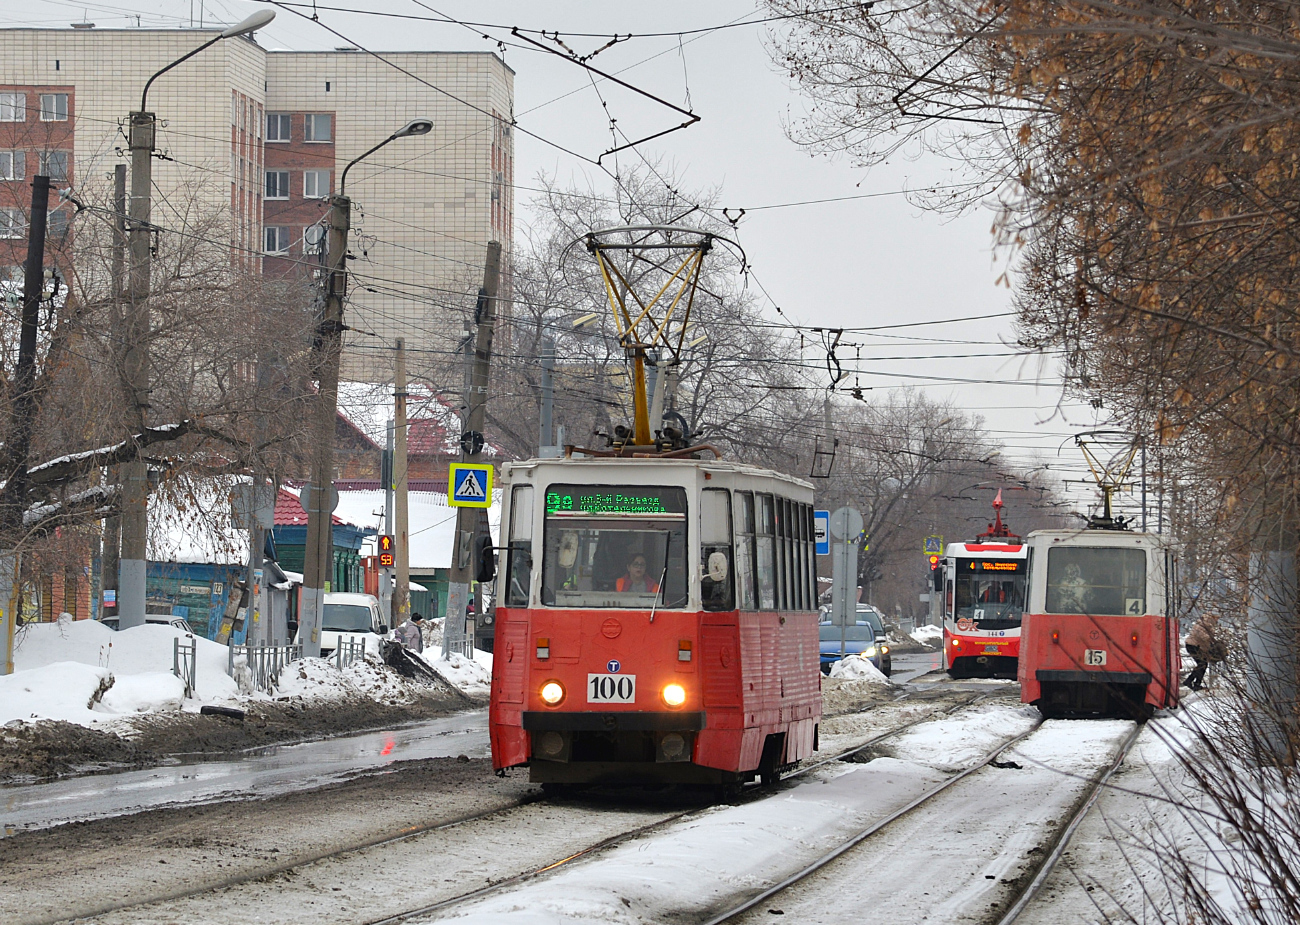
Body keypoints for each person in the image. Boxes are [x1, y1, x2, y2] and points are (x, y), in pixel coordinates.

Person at [1184, 612, 1223, 691]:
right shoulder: (1204, 623)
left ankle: (1195, 683)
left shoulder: (1208, 624)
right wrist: (1211, 640)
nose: (1217, 620)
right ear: (1213, 616)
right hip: (1193, 646)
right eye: (1217, 617)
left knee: (1203, 664)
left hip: (1197, 646)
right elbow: (1201, 635)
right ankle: (1190, 681)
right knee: (1202, 664)